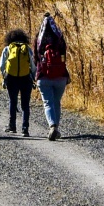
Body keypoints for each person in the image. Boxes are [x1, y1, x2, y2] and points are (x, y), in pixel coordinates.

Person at [33, 11, 69, 140]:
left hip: (43, 76)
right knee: (56, 102)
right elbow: (64, 57)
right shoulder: (59, 38)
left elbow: (35, 58)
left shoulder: (39, 38)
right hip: (60, 76)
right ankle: (56, 128)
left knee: (48, 103)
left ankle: (52, 126)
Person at [0, 28, 35, 135]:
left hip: (12, 78)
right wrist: (33, 77)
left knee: (13, 101)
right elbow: (33, 65)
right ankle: (25, 128)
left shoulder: (8, 49)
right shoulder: (27, 49)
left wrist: (5, 76)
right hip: (25, 78)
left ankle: (12, 126)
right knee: (25, 104)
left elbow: (2, 65)